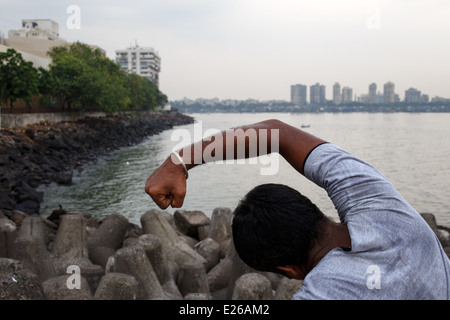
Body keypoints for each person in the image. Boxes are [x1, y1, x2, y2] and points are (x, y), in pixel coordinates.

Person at [145, 119, 450, 299]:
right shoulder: (376, 202)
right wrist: (179, 161)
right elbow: (278, 133)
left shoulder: (324, 291)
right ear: (312, 210)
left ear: (288, 271)